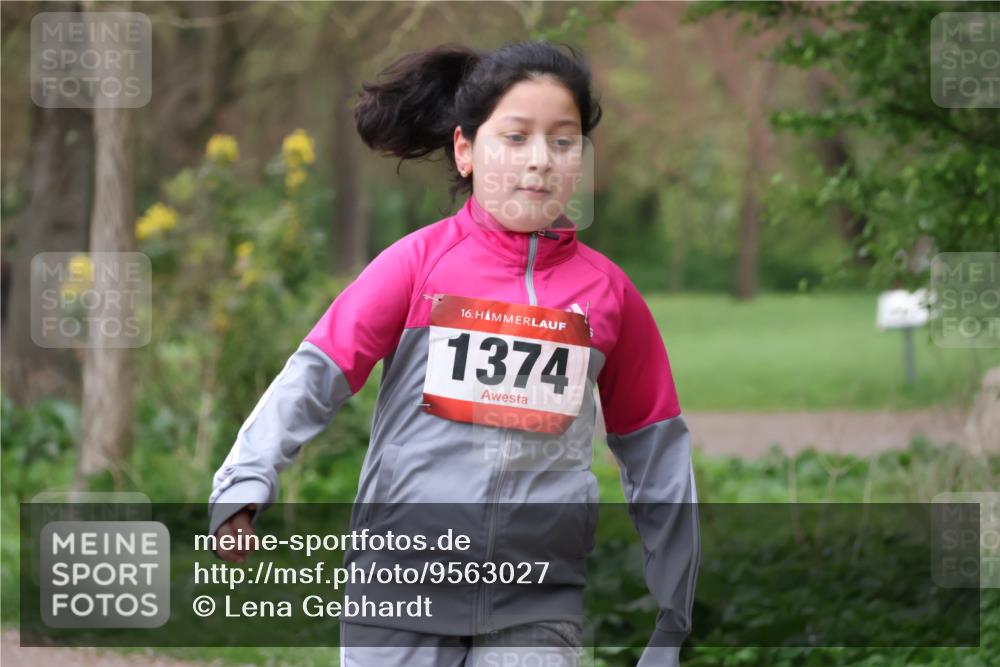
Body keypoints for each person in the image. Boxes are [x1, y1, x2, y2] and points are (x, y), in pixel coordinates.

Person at [208, 40, 700, 667]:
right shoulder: (416, 266)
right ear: (465, 150)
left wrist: (672, 618)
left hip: (536, 602)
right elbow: (314, 378)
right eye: (515, 138)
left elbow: (659, 458)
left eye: (563, 141)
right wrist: (245, 482)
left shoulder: (609, 296)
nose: (540, 160)